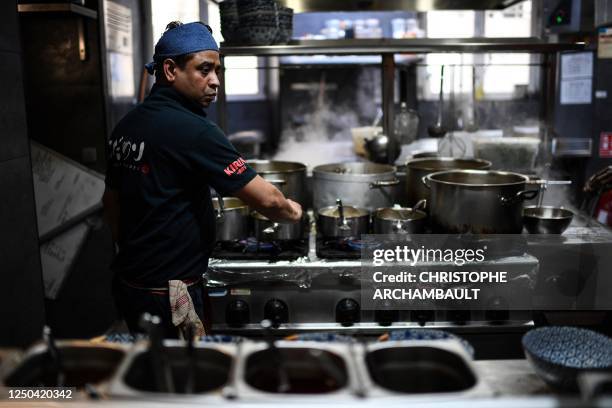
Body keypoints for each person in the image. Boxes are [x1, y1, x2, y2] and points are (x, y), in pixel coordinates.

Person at [102, 21, 302, 338]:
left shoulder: (127, 126)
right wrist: (295, 212)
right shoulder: (194, 131)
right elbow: (269, 201)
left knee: (153, 372)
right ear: (170, 70)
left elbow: (110, 204)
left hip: (130, 284)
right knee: (187, 378)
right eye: (204, 70)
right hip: (170, 292)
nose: (215, 82)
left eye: (218, 71)